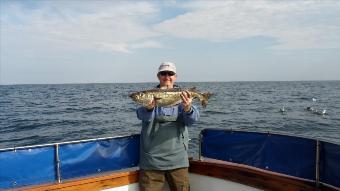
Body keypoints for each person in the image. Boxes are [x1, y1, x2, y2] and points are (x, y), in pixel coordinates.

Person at [136, 62, 199, 191]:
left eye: (170, 74)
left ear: (175, 76)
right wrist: (149, 108)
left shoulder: (184, 95)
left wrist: (187, 108)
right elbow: (141, 115)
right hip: (151, 162)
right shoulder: (149, 96)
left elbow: (192, 121)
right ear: (158, 76)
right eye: (163, 73)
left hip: (178, 161)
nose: (167, 76)